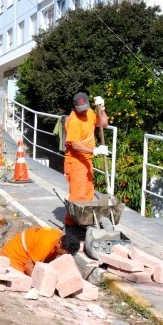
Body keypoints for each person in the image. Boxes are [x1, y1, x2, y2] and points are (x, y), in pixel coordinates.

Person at [64, 92, 109, 226]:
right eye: (81, 110)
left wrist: (101, 109)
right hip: (75, 161)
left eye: (85, 108)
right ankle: (71, 224)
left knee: (88, 193)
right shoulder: (73, 121)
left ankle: (84, 221)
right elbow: (75, 144)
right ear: (74, 106)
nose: (84, 112)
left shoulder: (89, 112)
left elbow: (104, 124)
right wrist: (95, 150)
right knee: (78, 195)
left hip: (86, 160)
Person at [1, 226, 81, 275]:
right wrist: (39, 285)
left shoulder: (59, 237)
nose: (59, 255)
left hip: (25, 255)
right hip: (12, 256)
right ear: (59, 243)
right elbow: (28, 266)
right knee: (20, 279)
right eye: (60, 253)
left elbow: (47, 262)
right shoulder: (46, 244)